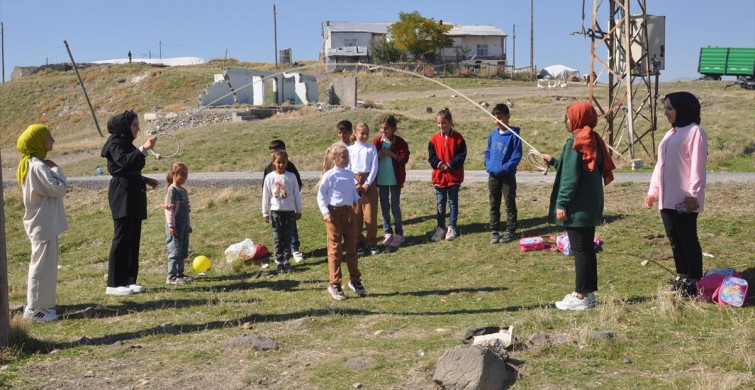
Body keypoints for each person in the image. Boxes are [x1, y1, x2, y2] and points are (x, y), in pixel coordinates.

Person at [541, 102, 616, 310]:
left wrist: (562, 203)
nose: (565, 120)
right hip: (590, 205)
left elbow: (570, 178)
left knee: (581, 250)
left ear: (577, 118)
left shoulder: (575, 141)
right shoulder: (592, 139)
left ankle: (581, 296)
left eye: (567, 116)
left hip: (577, 206)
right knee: (586, 250)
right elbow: (576, 168)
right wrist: (555, 161)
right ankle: (589, 293)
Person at [645, 92, 707, 297]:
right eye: (665, 108)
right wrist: (653, 191)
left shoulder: (694, 132)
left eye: (670, 108)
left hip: (685, 199)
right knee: (674, 239)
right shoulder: (670, 133)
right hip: (667, 198)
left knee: (688, 238)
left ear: (683, 108)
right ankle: (682, 276)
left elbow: (698, 166)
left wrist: (693, 194)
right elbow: (660, 166)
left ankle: (695, 281)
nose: (666, 113)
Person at [101, 110, 159, 296]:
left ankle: (129, 281)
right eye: (135, 125)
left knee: (133, 238)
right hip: (122, 194)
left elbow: (131, 169)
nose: (138, 128)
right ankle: (114, 284)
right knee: (122, 238)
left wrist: (144, 179)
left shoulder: (126, 143)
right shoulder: (115, 143)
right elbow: (124, 163)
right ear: (125, 126)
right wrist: (144, 148)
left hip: (133, 192)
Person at [17, 124, 68, 322]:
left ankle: (44, 306)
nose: (53, 140)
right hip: (42, 224)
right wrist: (55, 167)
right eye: (49, 136)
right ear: (37, 141)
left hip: (43, 222)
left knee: (45, 266)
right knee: (41, 267)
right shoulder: (38, 166)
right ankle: (35, 310)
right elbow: (59, 188)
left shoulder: (32, 163)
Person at [317, 144, 366, 300]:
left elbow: (352, 193)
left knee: (352, 247)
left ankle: (354, 279)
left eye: (348, 156)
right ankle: (335, 283)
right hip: (333, 215)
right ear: (334, 158)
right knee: (335, 249)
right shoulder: (330, 175)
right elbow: (320, 196)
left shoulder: (350, 174)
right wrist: (325, 213)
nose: (347, 159)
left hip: (349, 213)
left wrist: (358, 199)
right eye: (344, 156)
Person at [484, 103, 523, 244]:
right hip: (493, 176)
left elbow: (516, 156)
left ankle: (511, 231)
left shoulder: (514, 135)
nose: (497, 121)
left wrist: (506, 168)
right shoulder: (493, 135)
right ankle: (494, 230)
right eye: (495, 119)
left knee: (509, 204)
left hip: (507, 176)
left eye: (500, 118)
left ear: (508, 117)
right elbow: (488, 151)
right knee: (494, 203)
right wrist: (487, 164)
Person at [428, 108, 467, 241]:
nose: (441, 126)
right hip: (439, 177)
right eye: (439, 123)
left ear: (450, 122)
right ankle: (440, 228)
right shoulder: (433, 139)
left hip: (453, 177)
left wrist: (450, 165)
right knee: (440, 203)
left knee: (453, 202)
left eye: (444, 123)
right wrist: (440, 165)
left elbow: (461, 156)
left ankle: (452, 227)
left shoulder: (458, 138)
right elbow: (431, 157)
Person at [263, 140, 304, 262]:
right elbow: (265, 191)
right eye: (271, 152)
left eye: (275, 151)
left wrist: (297, 207)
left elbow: (297, 187)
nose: (280, 164)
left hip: (289, 208)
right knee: (277, 233)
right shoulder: (268, 171)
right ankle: (279, 255)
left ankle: (294, 249)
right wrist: (265, 211)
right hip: (275, 208)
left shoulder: (290, 170)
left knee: (291, 230)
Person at [373, 115, 410, 248]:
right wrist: (378, 154)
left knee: (395, 207)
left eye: (386, 128)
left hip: (395, 181)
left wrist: (390, 154)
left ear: (393, 128)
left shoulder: (400, 142)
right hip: (381, 181)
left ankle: (399, 234)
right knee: (384, 208)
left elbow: (404, 158)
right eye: (381, 128)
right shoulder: (377, 142)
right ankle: (388, 232)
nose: (383, 131)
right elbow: (371, 159)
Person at [348, 122, 380, 255]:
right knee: (356, 215)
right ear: (355, 134)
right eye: (362, 133)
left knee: (370, 214)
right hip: (354, 181)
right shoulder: (349, 150)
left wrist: (367, 183)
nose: (365, 136)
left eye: (367, 133)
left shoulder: (371, 149)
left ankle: (372, 242)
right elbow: (347, 167)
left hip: (369, 182)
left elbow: (374, 167)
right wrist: (356, 183)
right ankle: (358, 242)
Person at [162, 162, 193, 284]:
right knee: (175, 250)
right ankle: (171, 276)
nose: (184, 177)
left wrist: (188, 225)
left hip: (183, 226)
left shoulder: (183, 191)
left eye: (186, 174)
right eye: (182, 174)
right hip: (175, 226)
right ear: (173, 174)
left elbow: (186, 210)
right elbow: (169, 210)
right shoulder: (171, 191)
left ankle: (180, 273)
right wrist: (171, 225)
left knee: (183, 250)